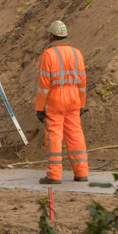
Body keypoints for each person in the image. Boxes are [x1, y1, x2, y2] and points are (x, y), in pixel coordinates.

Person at [34, 20, 88, 184]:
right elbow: (83, 82)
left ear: (52, 36)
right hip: (74, 97)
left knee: (54, 136)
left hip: (56, 98)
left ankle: (54, 176)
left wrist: (40, 108)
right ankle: (81, 173)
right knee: (75, 135)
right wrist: (82, 104)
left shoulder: (48, 55)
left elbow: (44, 86)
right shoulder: (77, 53)